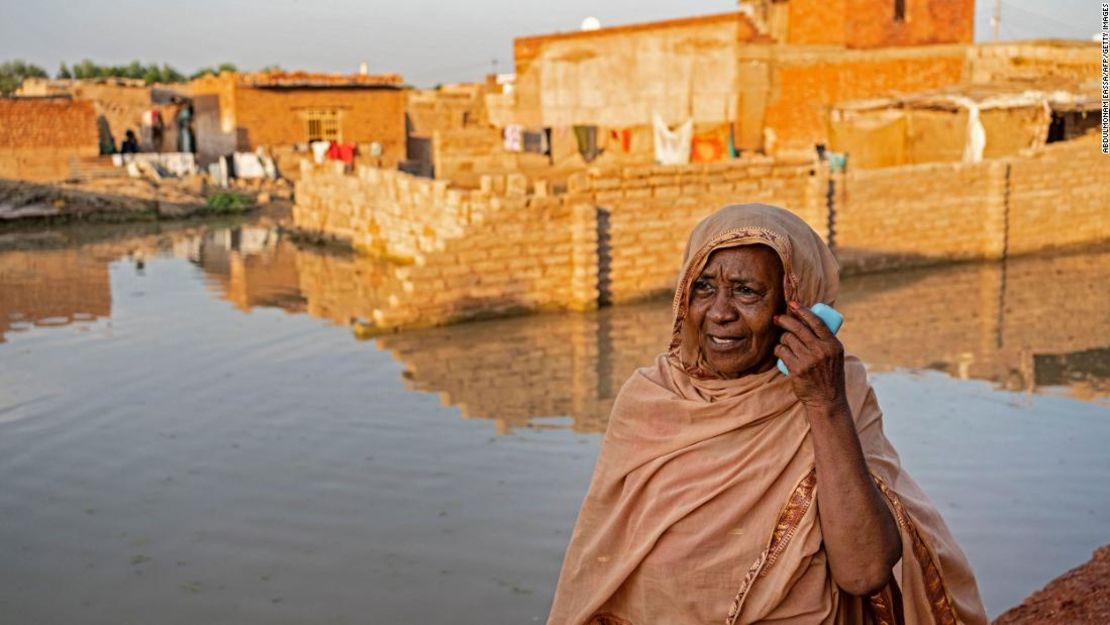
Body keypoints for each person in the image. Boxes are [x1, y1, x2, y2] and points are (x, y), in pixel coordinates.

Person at [547, 204, 987, 625]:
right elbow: (599, 567)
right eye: (703, 287)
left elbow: (865, 570)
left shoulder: (836, 390)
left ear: (796, 303)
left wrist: (824, 404)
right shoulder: (650, 400)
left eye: (746, 291)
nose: (719, 313)